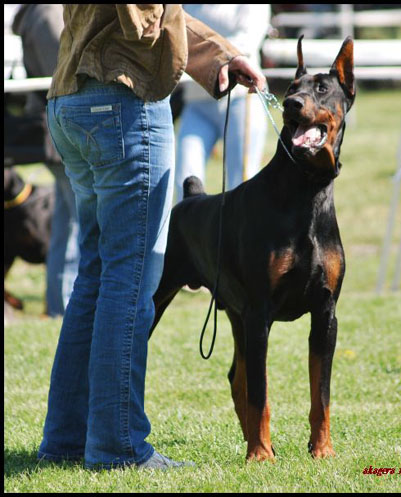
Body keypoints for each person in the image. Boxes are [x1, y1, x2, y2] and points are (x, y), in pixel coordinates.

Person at [37, 4, 266, 470]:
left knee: (97, 276)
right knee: (129, 279)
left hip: (71, 99)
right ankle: (118, 447)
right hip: (124, 101)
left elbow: (162, 15)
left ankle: (67, 440)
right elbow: (145, 24)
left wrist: (218, 55)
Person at [12, 4, 80, 317]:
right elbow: (64, 73)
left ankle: (59, 305)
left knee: (67, 225)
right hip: (60, 131)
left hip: (53, 131)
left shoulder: (39, 14)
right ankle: (64, 305)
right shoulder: (46, 14)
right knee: (76, 225)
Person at [174, 4, 270, 202]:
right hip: (197, 102)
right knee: (184, 179)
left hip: (241, 100)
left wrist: (205, 56)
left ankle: (241, 233)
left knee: (242, 182)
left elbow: (247, 41)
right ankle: (191, 232)